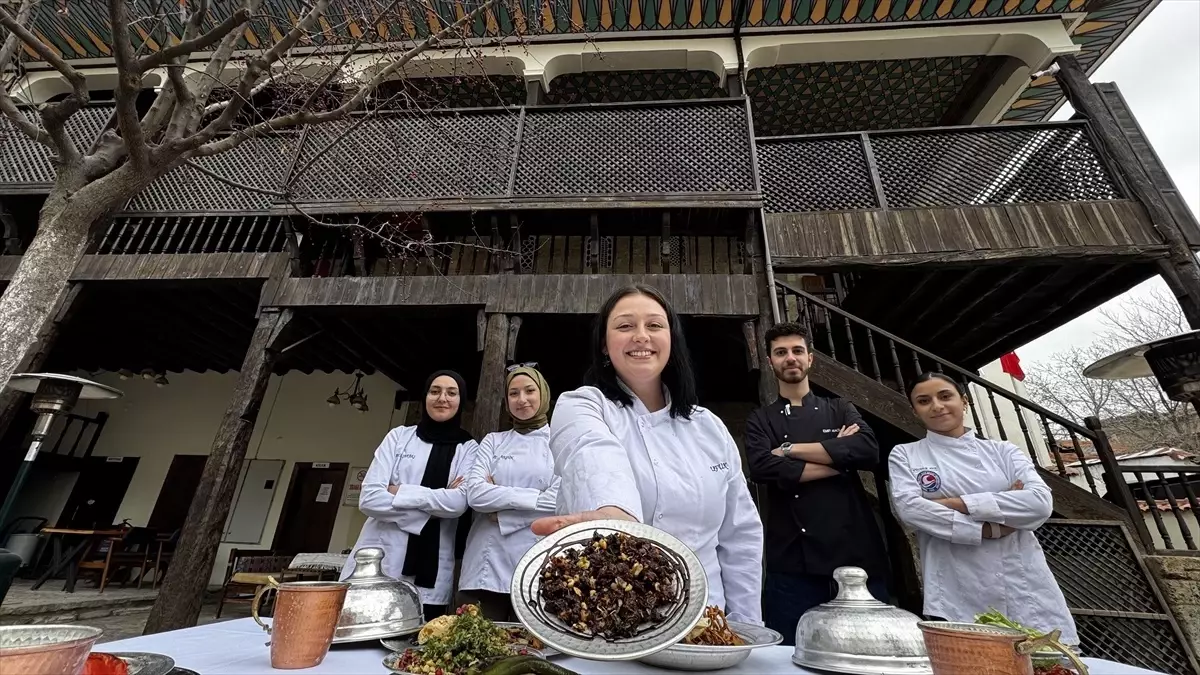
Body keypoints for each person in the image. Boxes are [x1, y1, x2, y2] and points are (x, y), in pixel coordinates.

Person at [532, 284, 764, 624]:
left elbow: (739, 534)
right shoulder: (581, 404)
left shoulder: (709, 426)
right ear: (604, 345)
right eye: (625, 326)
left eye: (654, 325)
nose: (641, 336)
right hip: (606, 622)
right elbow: (593, 452)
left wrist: (745, 625)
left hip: (703, 621)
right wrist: (615, 515)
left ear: (672, 339)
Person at [889, 372, 1078, 644]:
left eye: (945, 396)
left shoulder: (1004, 452)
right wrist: (991, 528)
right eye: (924, 400)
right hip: (956, 587)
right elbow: (911, 510)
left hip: (1022, 582)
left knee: (1045, 664)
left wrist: (953, 503)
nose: (937, 406)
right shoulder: (906, 454)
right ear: (915, 410)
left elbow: (1039, 503)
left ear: (964, 401)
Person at [743, 321, 889, 645]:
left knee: (866, 650)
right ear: (770, 361)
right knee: (790, 653)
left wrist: (789, 450)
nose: (790, 358)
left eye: (797, 351)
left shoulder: (840, 408)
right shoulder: (761, 419)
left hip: (855, 562)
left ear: (810, 358)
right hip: (794, 562)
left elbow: (867, 449)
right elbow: (763, 466)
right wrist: (840, 461)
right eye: (781, 353)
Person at [342, 370, 478, 620]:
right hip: (383, 560)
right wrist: (435, 503)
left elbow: (458, 504)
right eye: (435, 391)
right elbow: (370, 499)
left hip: (432, 569)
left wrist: (398, 491)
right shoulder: (398, 437)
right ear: (425, 397)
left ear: (461, 401)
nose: (442, 398)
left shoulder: (468, 448)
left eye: (451, 393)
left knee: (418, 648)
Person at [458, 365, 560, 621]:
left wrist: (502, 513)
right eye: (513, 393)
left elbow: (560, 501)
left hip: (538, 563)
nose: (521, 399)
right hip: (485, 564)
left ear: (544, 394)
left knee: (527, 652)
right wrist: (534, 497)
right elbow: (476, 495)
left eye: (529, 391)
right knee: (475, 648)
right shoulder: (493, 440)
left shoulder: (559, 443)